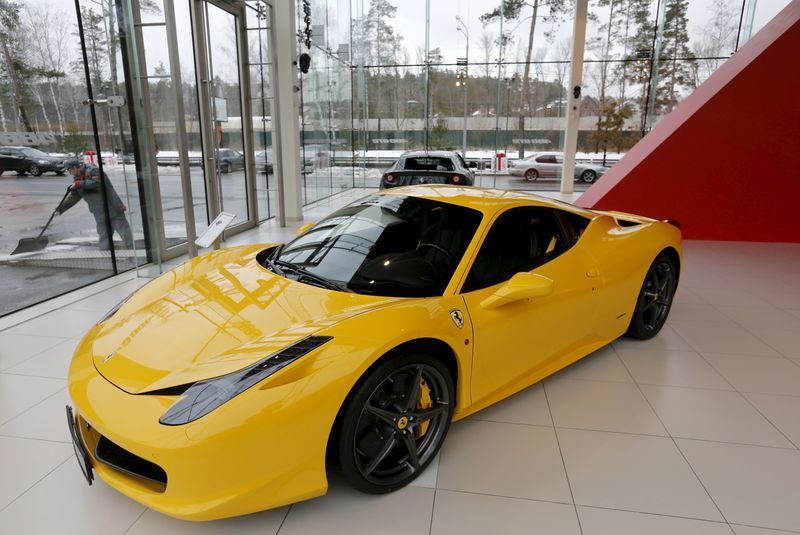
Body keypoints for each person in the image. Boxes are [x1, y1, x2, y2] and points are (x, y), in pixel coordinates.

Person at [54, 159, 134, 250]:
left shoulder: (93, 171)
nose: (69, 173)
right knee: (104, 238)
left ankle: (133, 256)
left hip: (112, 209)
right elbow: (73, 198)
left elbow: (98, 184)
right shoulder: (78, 180)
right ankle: (106, 259)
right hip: (99, 212)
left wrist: (79, 184)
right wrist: (59, 209)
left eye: (69, 170)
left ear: (75, 167)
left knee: (126, 235)